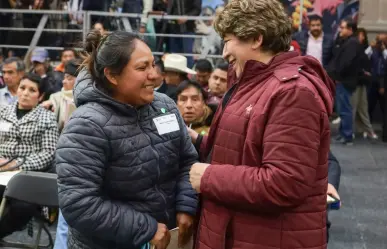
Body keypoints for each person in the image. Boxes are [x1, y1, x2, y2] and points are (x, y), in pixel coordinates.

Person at [188, 0, 335, 248]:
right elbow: (248, 149)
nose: (223, 53)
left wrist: (209, 176)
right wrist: (200, 142)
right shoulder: (252, 82)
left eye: (228, 41)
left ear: (256, 39)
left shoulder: (292, 92)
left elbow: (285, 182)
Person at [56, 30, 198, 249]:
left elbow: (187, 161)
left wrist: (186, 205)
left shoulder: (165, 107)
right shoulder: (86, 125)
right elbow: (79, 204)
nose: (154, 75)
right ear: (112, 75)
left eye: (153, 65)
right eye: (142, 68)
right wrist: (145, 229)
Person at [0, 72, 59, 239]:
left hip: (27, 176)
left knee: (23, 208)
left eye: (32, 90)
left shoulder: (47, 118)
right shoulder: (2, 112)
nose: (25, 93)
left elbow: (48, 153)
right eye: (22, 88)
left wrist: (16, 164)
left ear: (40, 96)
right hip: (0, 170)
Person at [327, 18, 363, 145]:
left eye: (343, 28)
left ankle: (347, 135)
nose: (340, 30)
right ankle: (343, 133)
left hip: (345, 80)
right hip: (343, 80)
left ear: (350, 29)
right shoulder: (346, 41)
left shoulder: (352, 43)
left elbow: (346, 63)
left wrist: (337, 74)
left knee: (345, 109)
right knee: (342, 107)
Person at [41, 59, 80, 132]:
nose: (64, 81)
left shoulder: (84, 99)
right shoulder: (55, 97)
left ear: (79, 81)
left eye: (69, 79)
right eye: (64, 78)